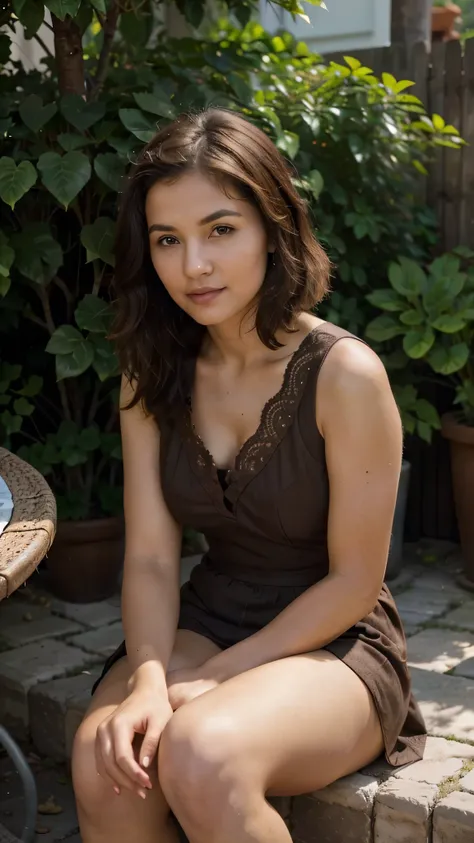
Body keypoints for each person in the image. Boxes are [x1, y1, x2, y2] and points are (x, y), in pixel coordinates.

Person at [72, 107, 426, 843]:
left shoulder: (344, 374)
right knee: (105, 758)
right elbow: (148, 556)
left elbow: (355, 580)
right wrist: (146, 677)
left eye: (220, 230)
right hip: (213, 613)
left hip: (338, 638)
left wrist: (220, 674)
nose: (193, 265)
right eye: (168, 240)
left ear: (273, 226)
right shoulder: (151, 373)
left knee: (201, 750)